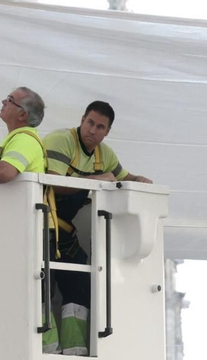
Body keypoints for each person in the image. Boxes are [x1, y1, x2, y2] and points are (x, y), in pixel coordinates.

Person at [40, 101, 153, 308]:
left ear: (107, 132)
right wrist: (94, 181)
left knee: (79, 282)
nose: (92, 130)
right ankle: (45, 338)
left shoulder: (105, 154)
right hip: (40, 224)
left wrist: (140, 181)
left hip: (61, 229)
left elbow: (124, 177)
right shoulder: (62, 140)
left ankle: (74, 339)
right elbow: (52, 184)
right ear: (82, 120)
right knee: (43, 283)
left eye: (100, 127)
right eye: (90, 122)